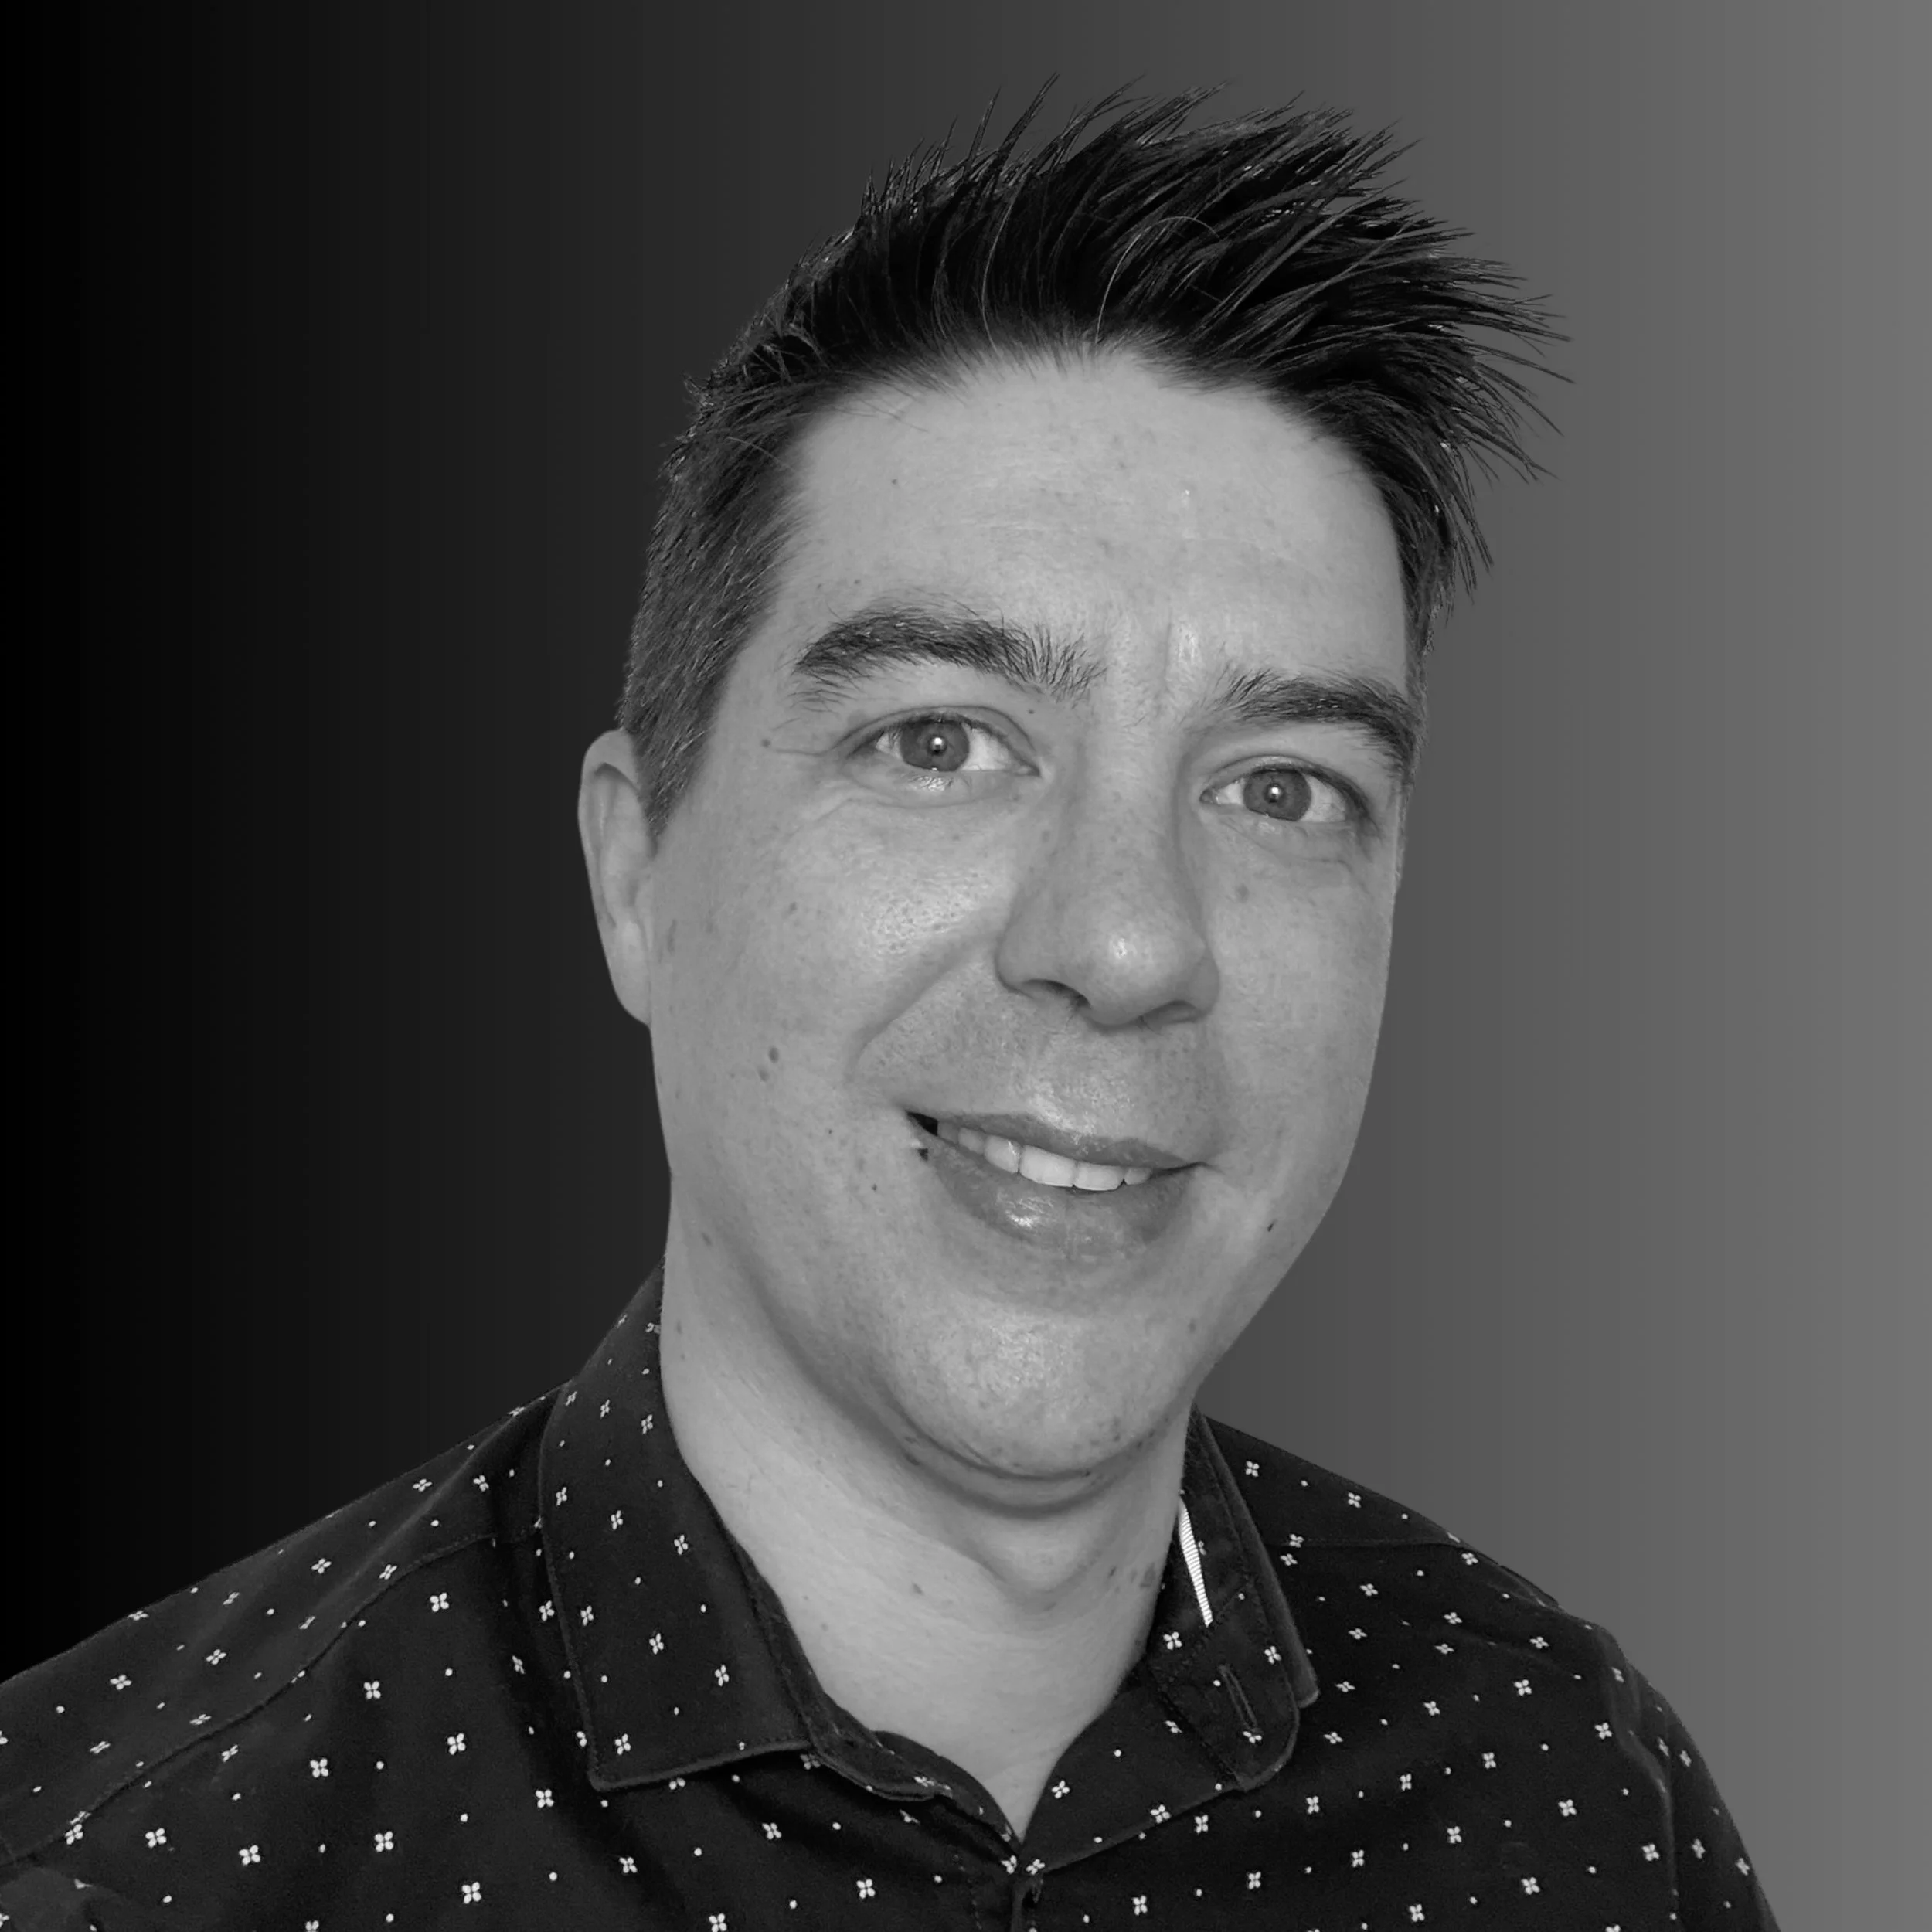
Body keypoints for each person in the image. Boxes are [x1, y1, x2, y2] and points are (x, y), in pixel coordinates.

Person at [0, 94, 1778, 1929]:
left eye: (1279, 787)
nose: (1125, 940)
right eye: (939, 742)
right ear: (635, 870)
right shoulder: (121, 1868)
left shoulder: (1572, 1788)